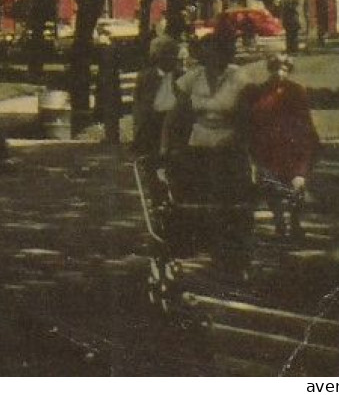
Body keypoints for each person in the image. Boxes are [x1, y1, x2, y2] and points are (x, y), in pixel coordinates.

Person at [162, 33, 256, 272]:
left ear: (226, 54)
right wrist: (168, 147)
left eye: (217, 53)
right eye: (208, 53)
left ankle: (233, 250)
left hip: (229, 145)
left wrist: (246, 146)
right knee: (199, 198)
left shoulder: (239, 77)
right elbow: (174, 115)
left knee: (230, 200)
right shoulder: (193, 77)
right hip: (199, 144)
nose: (212, 58)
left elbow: (248, 117)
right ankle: (203, 246)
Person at [247, 55, 320, 239]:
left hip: (292, 146)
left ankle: (294, 222)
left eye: (285, 69)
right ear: (270, 69)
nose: (280, 73)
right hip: (268, 148)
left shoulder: (296, 91)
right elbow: (254, 121)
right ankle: (280, 222)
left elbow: (305, 123)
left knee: (296, 185)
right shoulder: (259, 92)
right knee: (270, 186)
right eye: (276, 69)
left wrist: (307, 148)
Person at [132, 34, 187, 161]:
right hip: (153, 123)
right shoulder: (146, 77)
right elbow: (138, 106)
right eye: (168, 54)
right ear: (157, 57)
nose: (173, 58)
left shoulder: (182, 76)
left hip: (176, 123)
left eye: (174, 54)